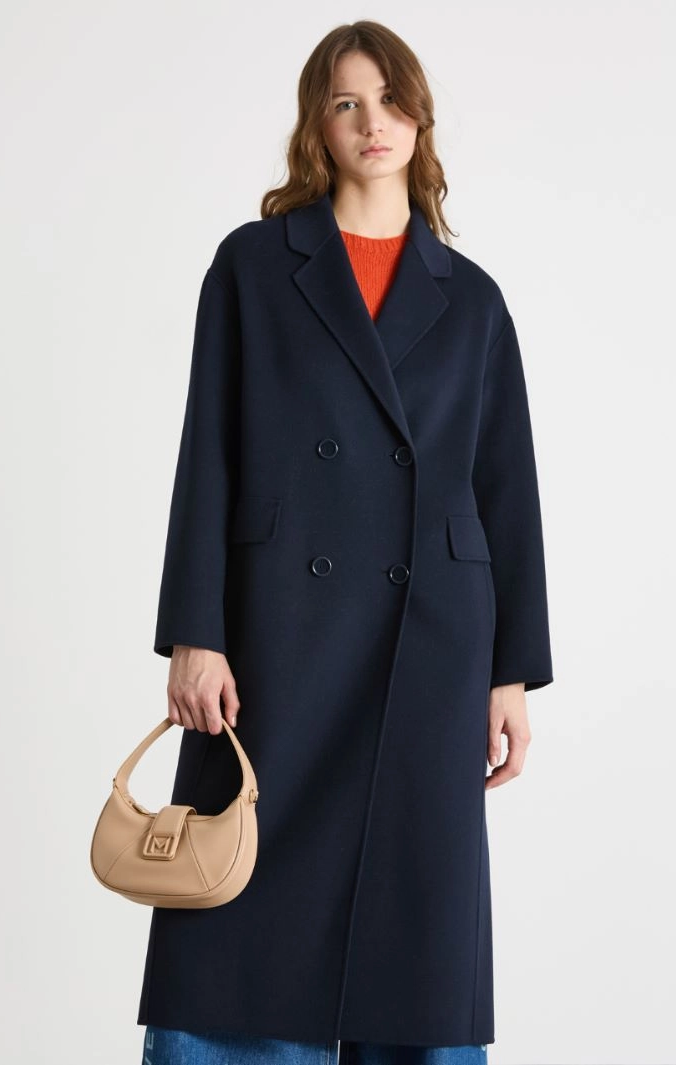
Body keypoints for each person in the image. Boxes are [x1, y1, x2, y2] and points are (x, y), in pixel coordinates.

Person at [138, 19, 553, 1065]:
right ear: (316, 128)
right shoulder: (252, 266)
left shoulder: (473, 301)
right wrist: (195, 632)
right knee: (240, 898)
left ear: (420, 118)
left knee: (417, 929)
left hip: (429, 648)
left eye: (391, 100)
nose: (374, 122)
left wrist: (509, 672)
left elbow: (504, 493)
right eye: (346, 103)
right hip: (278, 635)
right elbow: (208, 455)